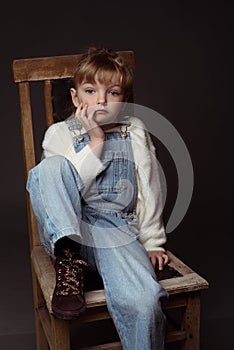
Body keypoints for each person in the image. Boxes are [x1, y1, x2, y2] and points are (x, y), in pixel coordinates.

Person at [26, 47, 169, 349]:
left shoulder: (135, 131)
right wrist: (95, 140)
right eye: (91, 90)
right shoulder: (59, 134)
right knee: (48, 170)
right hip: (70, 226)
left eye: (112, 92)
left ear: (124, 101)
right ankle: (68, 259)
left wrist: (153, 241)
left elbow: (149, 186)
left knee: (145, 301)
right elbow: (64, 189)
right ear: (77, 98)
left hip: (116, 230)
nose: (101, 100)